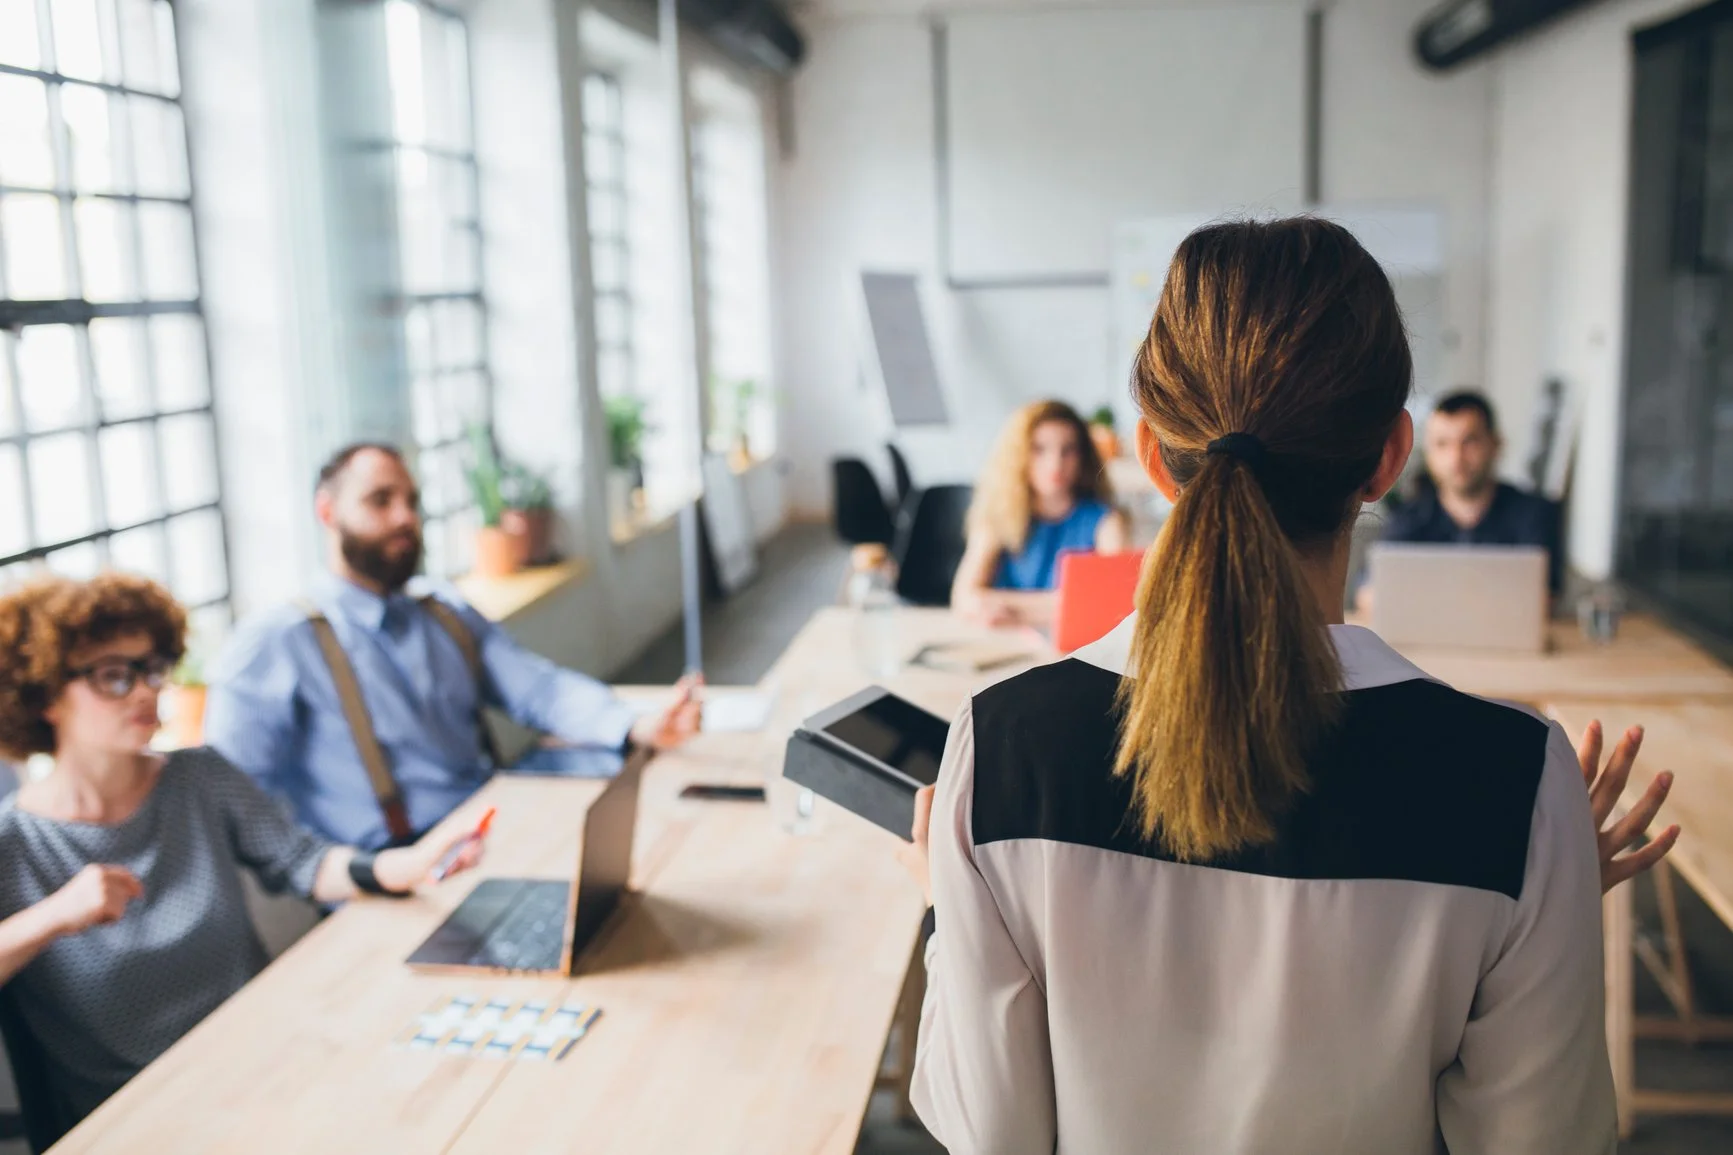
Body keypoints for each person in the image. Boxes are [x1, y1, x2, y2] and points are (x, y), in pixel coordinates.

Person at [900, 219, 1679, 1155]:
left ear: (1151, 457)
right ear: (1391, 457)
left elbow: (986, 1132)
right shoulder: (1515, 785)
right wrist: (1532, 911)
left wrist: (954, 910)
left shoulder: (1001, 747)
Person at [0, 574, 486, 1142]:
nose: (143, 692)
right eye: (113, 675)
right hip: (141, 1124)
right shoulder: (15, 842)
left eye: (151, 668)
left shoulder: (200, 776)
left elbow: (303, 861)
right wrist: (56, 915)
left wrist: (403, 865)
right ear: (43, 695)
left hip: (269, 1070)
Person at [205, 443, 701, 851]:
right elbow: (239, 803)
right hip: (395, 869)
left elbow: (537, 688)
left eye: (411, 502)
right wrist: (340, 873)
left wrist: (635, 724)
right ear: (327, 511)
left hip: (491, 828)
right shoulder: (273, 644)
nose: (404, 518)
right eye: (380, 501)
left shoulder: (440, 608)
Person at [1360, 390, 1563, 610]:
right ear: (1428, 453)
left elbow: (1545, 597)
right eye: (1442, 444)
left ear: (1495, 445)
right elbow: (1368, 595)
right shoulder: (1407, 518)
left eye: (1469, 442)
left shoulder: (1533, 514)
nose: (1455, 458)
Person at [951, 399, 1130, 628]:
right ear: (1018, 456)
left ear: (1083, 457)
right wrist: (1063, 605)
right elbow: (963, 598)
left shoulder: (1106, 521)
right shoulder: (998, 516)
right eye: (1039, 449)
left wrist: (1003, 604)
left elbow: (1114, 604)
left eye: (1068, 450)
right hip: (1006, 647)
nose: (1055, 463)